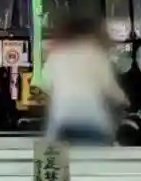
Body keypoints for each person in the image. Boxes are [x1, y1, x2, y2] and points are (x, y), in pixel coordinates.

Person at [41, 17, 126, 145]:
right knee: (97, 155)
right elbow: (109, 87)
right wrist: (123, 99)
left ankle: (50, 156)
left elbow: (46, 83)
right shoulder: (95, 52)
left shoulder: (57, 53)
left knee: (51, 154)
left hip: (61, 120)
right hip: (92, 121)